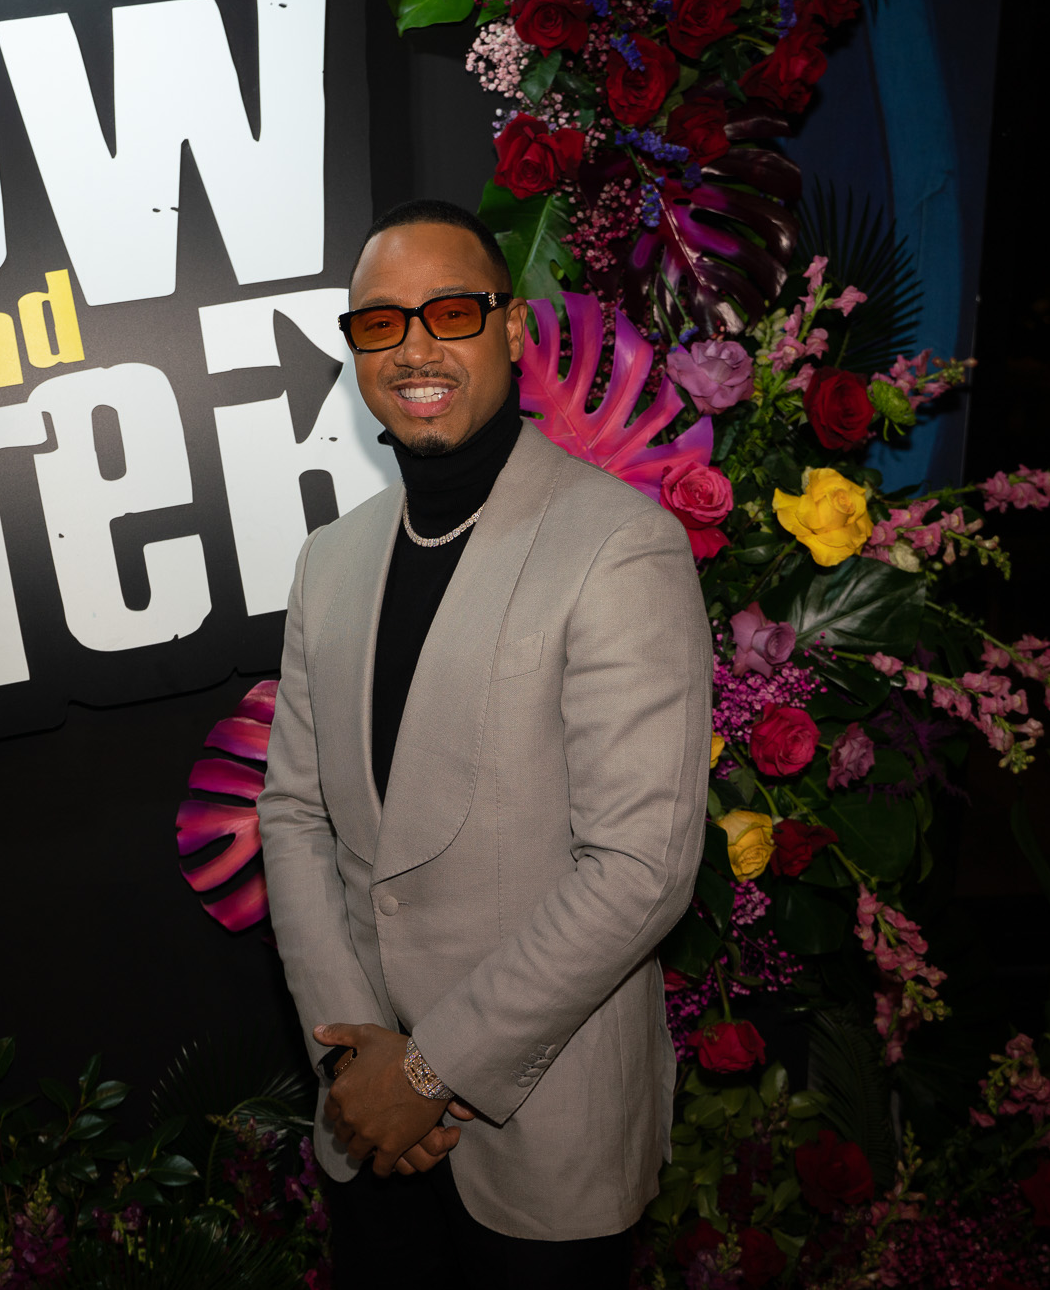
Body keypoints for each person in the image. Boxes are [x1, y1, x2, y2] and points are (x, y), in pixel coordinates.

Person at [256, 199, 712, 1287]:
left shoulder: (618, 546)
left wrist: (427, 1071)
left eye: (450, 312)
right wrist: (355, 1061)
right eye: (381, 322)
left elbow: (639, 869)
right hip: (367, 1126)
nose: (414, 348)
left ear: (510, 328)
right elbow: (294, 815)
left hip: (544, 1138)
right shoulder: (330, 561)